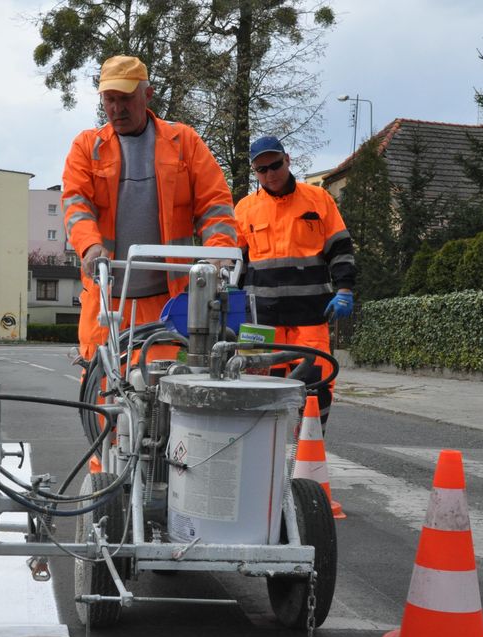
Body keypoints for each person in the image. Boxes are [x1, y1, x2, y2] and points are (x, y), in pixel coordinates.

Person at [61, 55, 238, 362]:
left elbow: (215, 204)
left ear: (148, 94)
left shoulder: (184, 142)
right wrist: (90, 246)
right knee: (101, 390)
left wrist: (219, 254)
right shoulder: (87, 148)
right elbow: (77, 203)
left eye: (126, 99)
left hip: (169, 301)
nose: (117, 109)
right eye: (109, 99)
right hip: (107, 299)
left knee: (165, 388)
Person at [234, 136, 356, 429]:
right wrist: (228, 297)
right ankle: (262, 461)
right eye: (262, 170)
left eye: (275, 165)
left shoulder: (318, 200)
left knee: (316, 389)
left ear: (288, 160)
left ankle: (309, 458)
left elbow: (340, 249)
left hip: (310, 317)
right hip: (262, 321)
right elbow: (232, 262)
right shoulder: (245, 209)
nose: (270, 173)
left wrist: (344, 290)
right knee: (258, 391)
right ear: (254, 171)